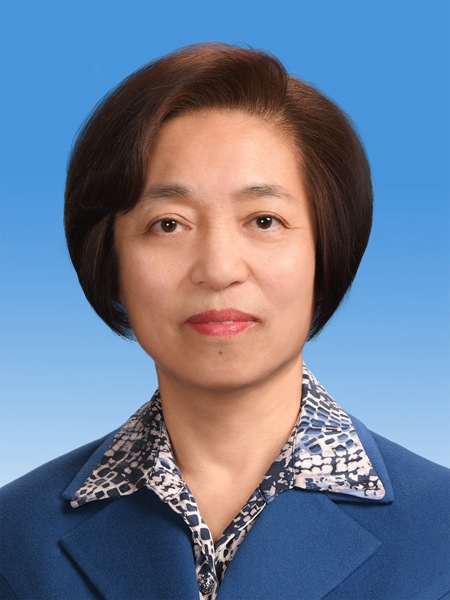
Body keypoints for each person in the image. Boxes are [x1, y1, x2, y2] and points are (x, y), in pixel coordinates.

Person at [0, 42, 449, 600]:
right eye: (168, 224)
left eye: (264, 220)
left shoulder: (440, 534)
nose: (218, 269)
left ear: (326, 253)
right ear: (110, 264)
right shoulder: (14, 540)